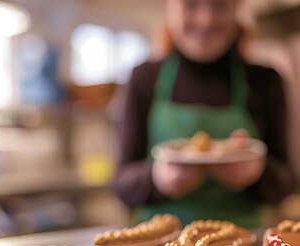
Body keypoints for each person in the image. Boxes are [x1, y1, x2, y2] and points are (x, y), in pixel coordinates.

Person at [113, 0, 295, 227]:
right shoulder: (144, 79)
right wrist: (156, 179)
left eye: (219, 6)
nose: (205, 21)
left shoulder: (264, 81)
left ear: (236, 9)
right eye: (191, 5)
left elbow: (286, 184)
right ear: (166, 8)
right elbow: (121, 185)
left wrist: (257, 173)